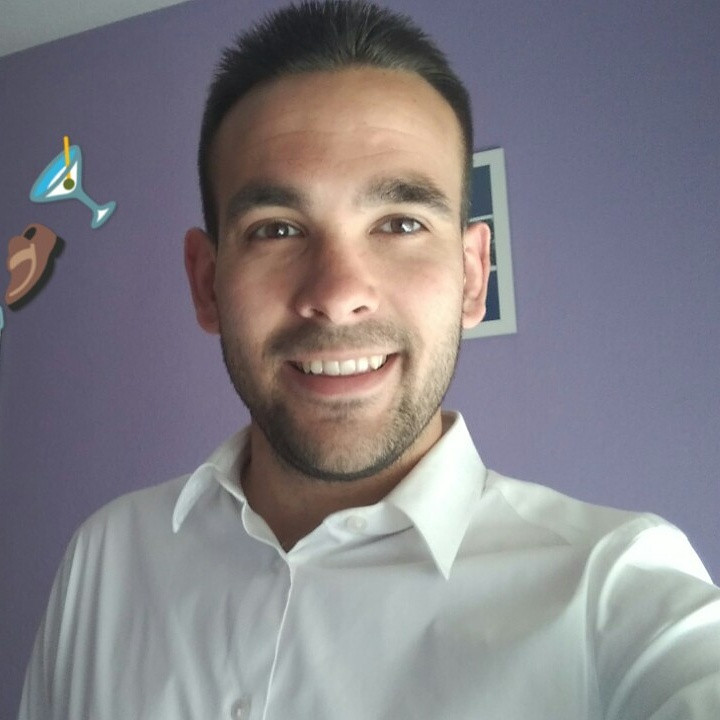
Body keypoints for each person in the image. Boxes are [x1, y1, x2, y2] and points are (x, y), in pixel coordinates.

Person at [18, 2, 720, 718]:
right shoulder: (105, 558)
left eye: (401, 223)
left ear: (473, 275)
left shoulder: (616, 591)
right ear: (207, 283)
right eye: (277, 229)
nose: (337, 295)